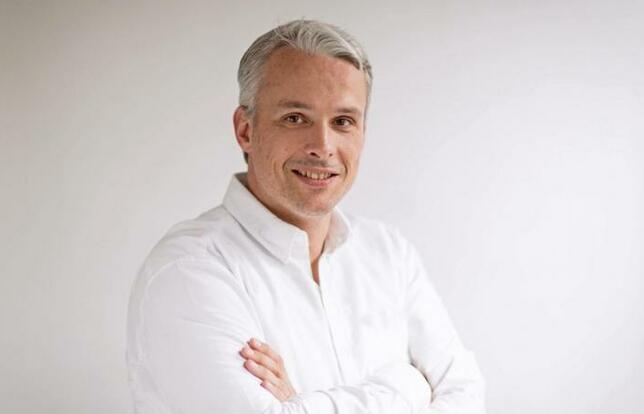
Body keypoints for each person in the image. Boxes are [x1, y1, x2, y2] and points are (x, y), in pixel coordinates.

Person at [126, 19, 486, 414]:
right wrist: (409, 386)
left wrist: (302, 404)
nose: (323, 146)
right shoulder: (189, 269)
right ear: (246, 130)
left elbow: (466, 396)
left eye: (343, 121)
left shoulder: (389, 254)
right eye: (296, 118)